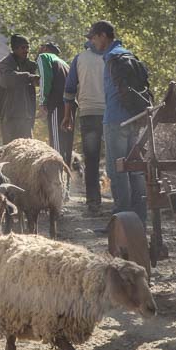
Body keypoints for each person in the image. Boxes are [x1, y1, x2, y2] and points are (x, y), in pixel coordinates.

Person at [87, 20, 153, 223]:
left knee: (117, 171)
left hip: (115, 120)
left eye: (93, 37)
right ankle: (139, 218)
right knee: (134, 170)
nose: (92, 42)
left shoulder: (112, 58)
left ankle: (121, 220)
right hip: (134, 119)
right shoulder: (128, 54)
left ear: (103, 36)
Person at [62, 35, 107, 217]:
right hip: (112, 113)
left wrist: (67, 116)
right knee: (119, 158)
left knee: (92, 159)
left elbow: (70, 91)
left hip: (88, 113)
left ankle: (93, 203)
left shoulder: (79, 59)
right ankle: (123, 201)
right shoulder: (112, 56)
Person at [0, 34, 39, 144]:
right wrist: (29, 77)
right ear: (15, 49)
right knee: (10, 151)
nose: (26, 50)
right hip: (10, 118)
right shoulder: (4, 65)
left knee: (28, 149)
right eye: (23, 47)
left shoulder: (31, 65)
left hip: (27, 117)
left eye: (28, 47)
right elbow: (7, 80)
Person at [36, 42, 73, 165]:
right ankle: (67, 181)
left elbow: (45, 80)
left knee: (56, 145)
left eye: (41, 47)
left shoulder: (44, 57)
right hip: (70, 106)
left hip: (57, 104)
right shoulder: (64, 63)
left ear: (46, 49)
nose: (39, 50)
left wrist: (42, 102)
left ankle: (58, 176)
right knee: (66, 144)